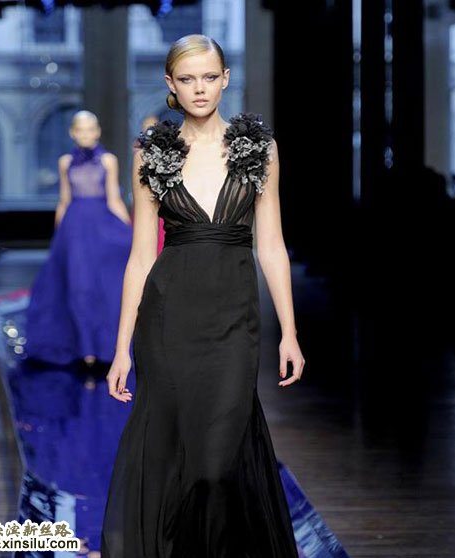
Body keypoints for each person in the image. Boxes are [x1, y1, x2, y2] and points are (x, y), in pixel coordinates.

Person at [101, 34, 305, 557]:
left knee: (215, 467)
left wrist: (289, 332)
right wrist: (122, 348)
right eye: (188, 79)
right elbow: (140, 257)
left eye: (210, 77)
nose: (200, 89)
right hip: (168, 323)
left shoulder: (259, 150)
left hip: (235, 322)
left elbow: (272, 246)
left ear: (225, 79)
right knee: (173, 456)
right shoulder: (152, 154)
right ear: (170, 83)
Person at [25, 111, 133, 373]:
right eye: (81, 129)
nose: (86, 134)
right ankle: (85, 349)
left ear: (98, 131)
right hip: (74, 229)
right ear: (72, 133)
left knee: (102, 286)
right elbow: (64, 199)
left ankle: (102, 347)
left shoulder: (108, 160)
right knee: (78, 286)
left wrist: (129, 232)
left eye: (91, 129)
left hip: (101, 227)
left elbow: (114, 199)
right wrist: (58, 236)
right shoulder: (65, 162)